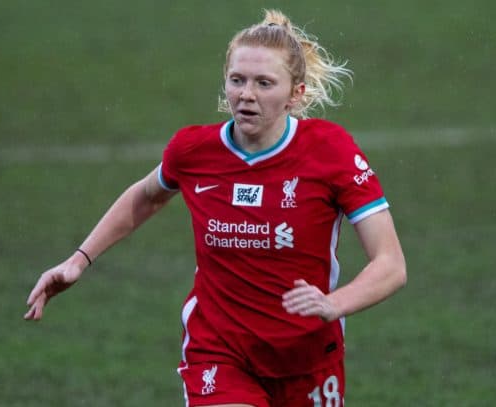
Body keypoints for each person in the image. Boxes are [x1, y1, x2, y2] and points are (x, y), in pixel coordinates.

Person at [24, 9, 406, 407]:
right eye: (237, 80)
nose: (246, 94)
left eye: (264, 83)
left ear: (297, 93)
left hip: (308, 358)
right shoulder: (194, 151)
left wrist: (334, 303)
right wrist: (79, 260)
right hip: (219, 353)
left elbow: (391, 264)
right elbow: (146, 195)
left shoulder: (330, 151)